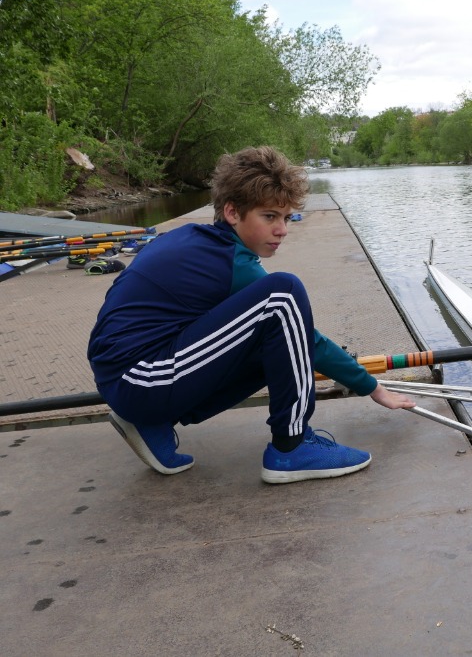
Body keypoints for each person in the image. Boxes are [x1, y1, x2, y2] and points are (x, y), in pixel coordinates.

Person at [87, 146, 415, 483]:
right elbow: (309, 340)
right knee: (283, 295)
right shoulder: (230, 263)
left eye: (285, 218)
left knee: (274, 342)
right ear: (232, 212)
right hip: (139, 379)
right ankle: (292, 447)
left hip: (127, 378)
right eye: (269, 217)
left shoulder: (195, 241)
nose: (282, 229)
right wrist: (371, 387)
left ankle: (150, 423)